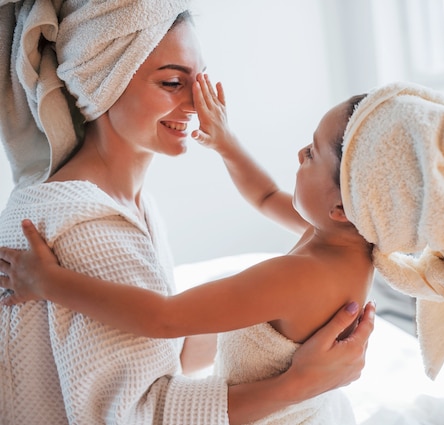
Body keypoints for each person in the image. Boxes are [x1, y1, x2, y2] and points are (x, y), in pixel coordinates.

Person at [3, 78, 444, 419]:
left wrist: (49, 282)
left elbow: (165, 319)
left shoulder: (301, 276)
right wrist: (226, 142)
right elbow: (265, 195)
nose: (298, 153)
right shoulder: (352, 240)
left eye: (310, 153)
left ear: (342, 206)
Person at [0, 2, 374, 425]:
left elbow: (162, 344)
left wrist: (284, 341)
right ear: (103, 80)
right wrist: (297, 386)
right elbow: (141, 407)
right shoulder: (87, 228)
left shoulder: (132, 204)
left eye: (199, 83)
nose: (197, 104)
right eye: (174, 82)